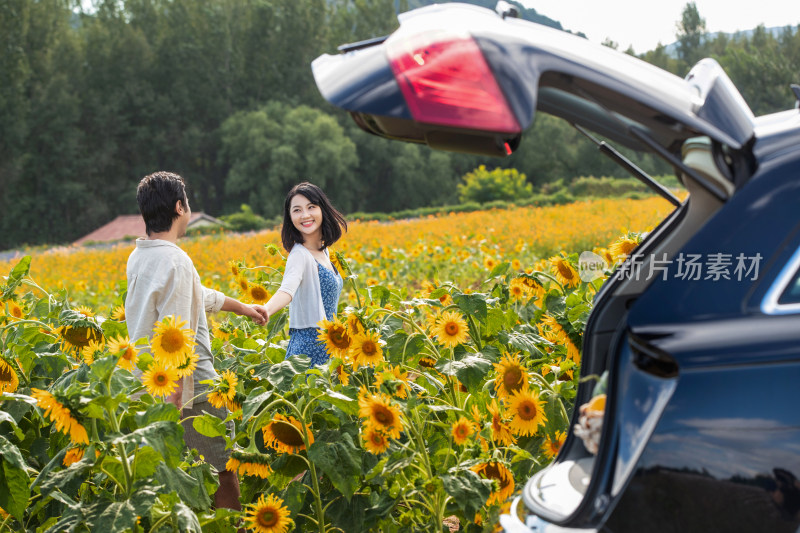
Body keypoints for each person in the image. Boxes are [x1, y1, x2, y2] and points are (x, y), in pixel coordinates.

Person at [125, 171, 267, 510]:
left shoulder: (140, 257)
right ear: (179, 207)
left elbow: (195, 295)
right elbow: (175, 333)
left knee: (179, 477)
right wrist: (175, 394)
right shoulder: (176, 259)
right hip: (191, 387)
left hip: (151, 381)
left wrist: (243, 308)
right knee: (223, 469)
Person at [263, 182, 347, 366]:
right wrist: (266, 310)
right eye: (297, 210)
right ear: (290, 217)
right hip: (308, 351)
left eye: (311, 207)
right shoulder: (299, 255)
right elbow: (287, 290)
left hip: (328, 346)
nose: (305, 215)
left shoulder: (323, 252)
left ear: (322, 209)